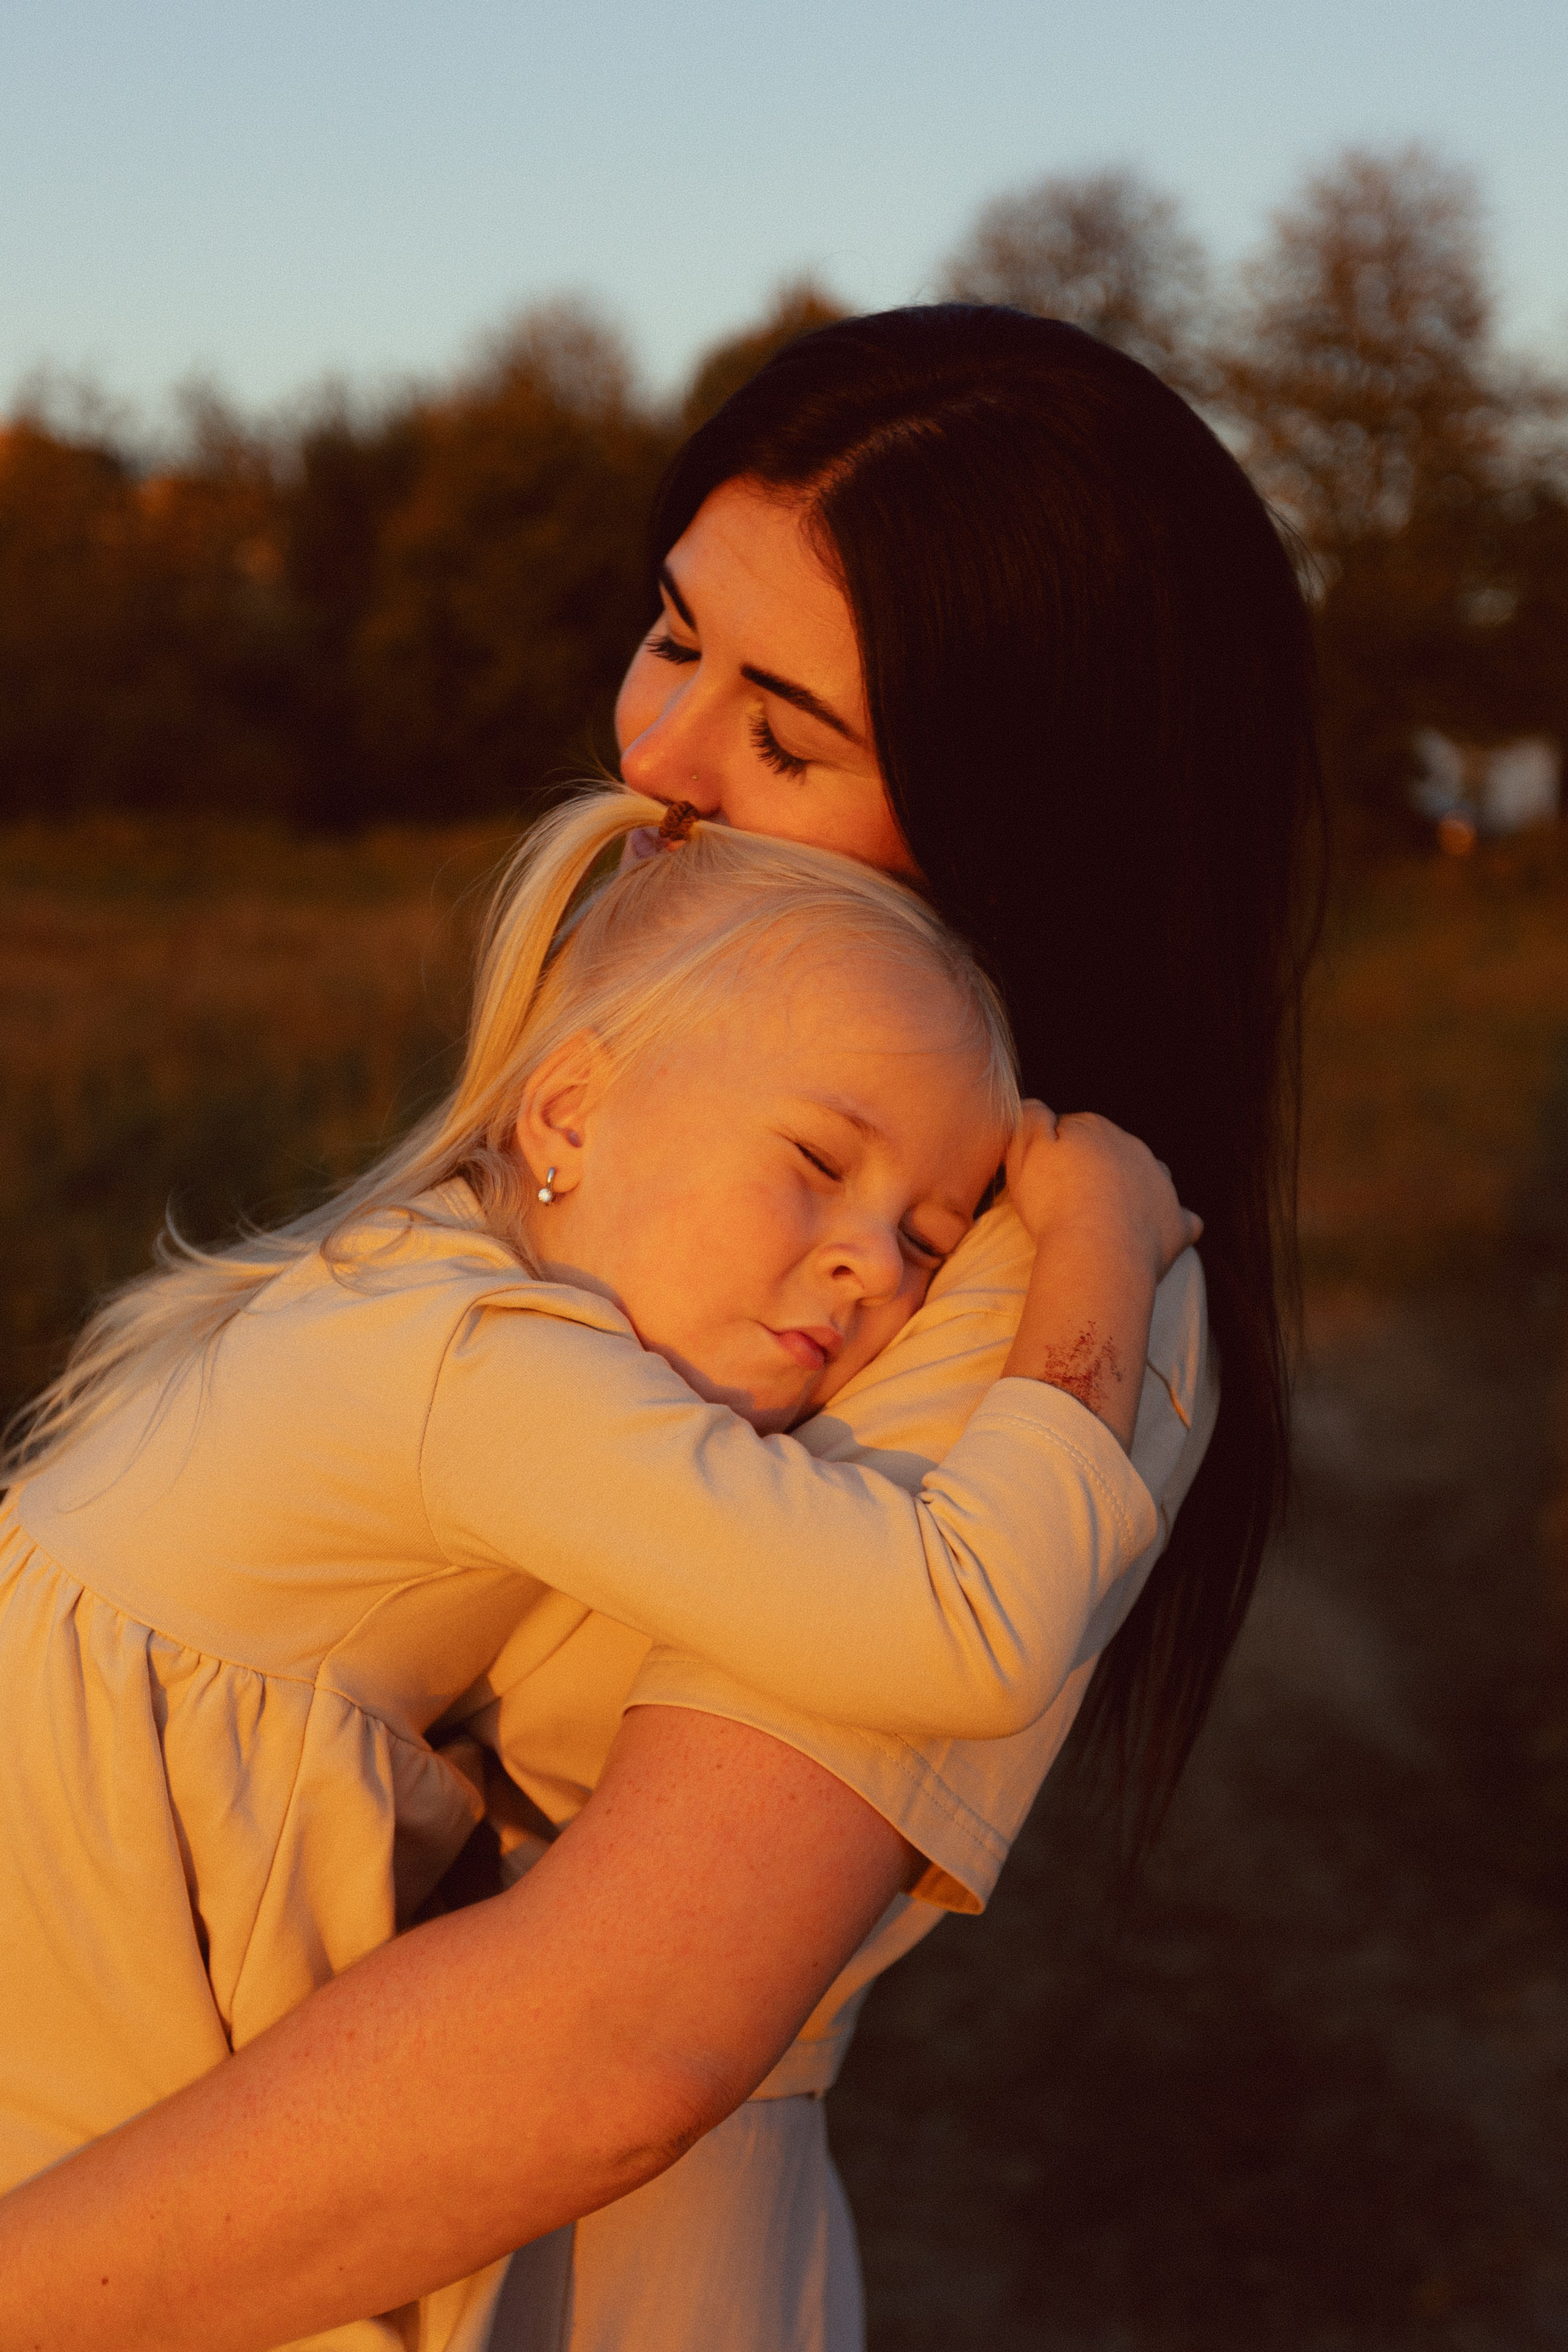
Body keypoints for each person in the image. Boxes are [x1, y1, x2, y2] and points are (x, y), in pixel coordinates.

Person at [0, 305, 1319, 2351]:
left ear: (1026, 803)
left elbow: (607, 2044)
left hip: (510, 2268)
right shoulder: (685, 1102)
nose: (661, 754)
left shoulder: (1024, 1266)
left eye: (791, 730)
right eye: (676, 636)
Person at [0, 784, 1197, 2348]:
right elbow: (960, 1623)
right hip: (96, 1943)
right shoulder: (486, 1375)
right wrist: (1097, 1242)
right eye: (816, 1161)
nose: (868, 1263)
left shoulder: (421, 1284)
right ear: (566, 1111)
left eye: (929, 1234)